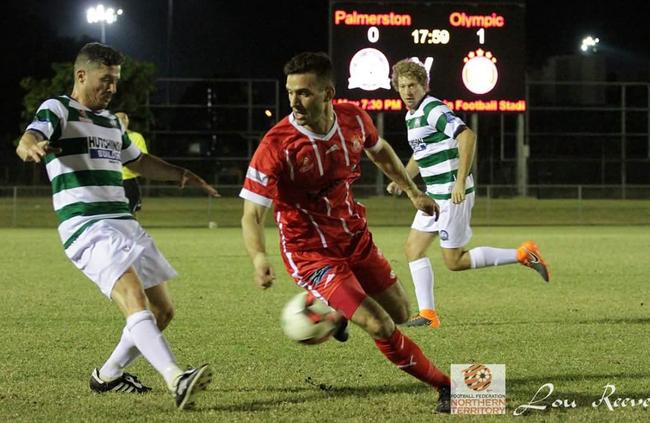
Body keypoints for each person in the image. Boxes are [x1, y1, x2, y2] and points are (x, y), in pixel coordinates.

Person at [240, 52, 452, 413]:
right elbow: (251, 214)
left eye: (304, 92)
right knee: (380, 324)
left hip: (355, 236)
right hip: (311, 253)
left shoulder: (353, 118)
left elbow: (381, 152)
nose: (294, 101)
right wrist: (259, 256)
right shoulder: (276, 144)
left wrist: (414, 192)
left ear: (327, 93)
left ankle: (335, 314)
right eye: (290, 92)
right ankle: (449, 388)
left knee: (401, 311)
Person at [15, 42, 218, 410]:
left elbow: (139, 162)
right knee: (132, 297)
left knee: (163, 312)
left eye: (115, 82)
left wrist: (181, 174)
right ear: (81, 76)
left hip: (124, 222)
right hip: (87, 225)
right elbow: (31, 137)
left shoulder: (110, 121)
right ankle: (175, 377)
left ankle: (107, 376)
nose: (111, 88)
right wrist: (29, 146)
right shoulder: (58, 108)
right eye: (105, 80)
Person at [388, 59, 550, 329]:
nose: (408, 91)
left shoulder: (432, 109)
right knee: (413, 249)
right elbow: (423, 152)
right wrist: (402, 179)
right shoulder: (411, 115)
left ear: (424, 86)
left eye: (413, 85)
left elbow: (467, 136)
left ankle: (523, 254)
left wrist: (460, 182)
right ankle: (428, 315)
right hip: (433, 197)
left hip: (451, 195)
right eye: (402, 86)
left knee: (454, 261)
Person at [115, 112, 147, 214]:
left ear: (127, 121)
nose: (122, 122)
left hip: (128, 180)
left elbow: (142, 158)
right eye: (119, 120)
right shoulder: (106, 136)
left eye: (124, 120)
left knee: (131, 212)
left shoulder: (136, 137)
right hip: (112, 181)